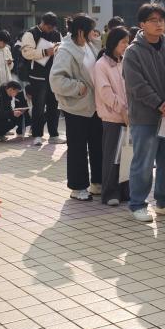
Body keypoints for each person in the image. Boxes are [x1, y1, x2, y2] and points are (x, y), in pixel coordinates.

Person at [123, 3, 165, 223]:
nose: (158, 24)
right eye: (153, 20)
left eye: (161, 20)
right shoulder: (132, 52)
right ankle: (137, 204)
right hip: (144, 117)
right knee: (143, 163)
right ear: (142, 24)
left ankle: (164, 202)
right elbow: (136, 85)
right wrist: (159, 103)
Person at [51, 14, 104, 201]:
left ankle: (97, 182)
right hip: (76, 107)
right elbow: (56, 80)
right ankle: (78, 187)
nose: (94, 33)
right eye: (91, 30)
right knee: (77, 149)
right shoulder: (66, 51)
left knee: (98, 145)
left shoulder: (89, 45)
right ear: (81, 32)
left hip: (94, 106)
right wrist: (77, 87)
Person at [93, 26, 132, 207]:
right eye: (123, 42)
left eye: (127, 42)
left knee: (127, 155)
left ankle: (125, 191)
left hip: (129, 117)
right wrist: (122, 109)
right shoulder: (101, 64)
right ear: (113, 42)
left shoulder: (125, 62)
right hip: (112, 118)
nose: (126, 46)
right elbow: (105, 93)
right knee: (112, 157)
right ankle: (110, 193)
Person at [20, 12, 63, 146]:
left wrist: (57, 51)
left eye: (53, 28)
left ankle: (54, 135)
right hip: (37, 76)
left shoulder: (57, 34)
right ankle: (37, 135)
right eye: (49, 27)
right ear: (43, 23)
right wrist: (45, 52)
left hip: (53, 75)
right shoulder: (30, 34)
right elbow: (27, 53)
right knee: (38, 107)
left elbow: (62, 51)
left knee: (54, 106)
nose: (51, 31)